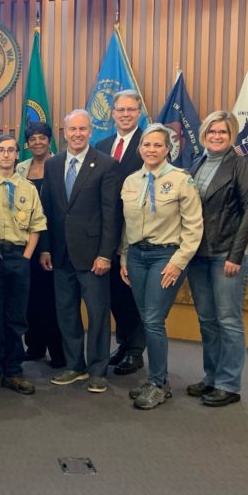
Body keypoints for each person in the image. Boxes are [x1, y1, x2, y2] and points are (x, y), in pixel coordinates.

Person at [119, 123, 203, 410]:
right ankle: (155, 378)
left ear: (167, 149)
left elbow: (194, 227)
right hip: (136, 257)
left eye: (157, 145)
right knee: (146, 320)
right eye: (147, 145)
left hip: (165, 258)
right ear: (140, 148)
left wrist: (178, 263)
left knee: (154, 320)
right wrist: (123, 257)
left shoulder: (181, 180)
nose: (151, 150)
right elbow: (126, 225)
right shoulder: (131, 181)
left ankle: (159, 383)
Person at [40, 111, 120, 394]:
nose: (77, 134)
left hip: (93, 256)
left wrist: (106, 254)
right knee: (66, 313)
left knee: (98, 314)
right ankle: (74, 366)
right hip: (60, 255)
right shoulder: (52, 165)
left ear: (90, 131)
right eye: (72, 129)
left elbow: (112, 214)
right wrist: (46, 248)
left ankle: (98, 370)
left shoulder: (107, 165)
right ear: (64, 132)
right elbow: (46, 211)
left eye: (82, 129)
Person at [185, 111, 248, 407]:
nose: (217, 136)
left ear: (232, 136)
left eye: (223, 132)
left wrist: (235, 254)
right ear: (204, 134)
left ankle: (229, 384)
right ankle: (212, 377)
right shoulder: (196, 163)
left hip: (228, 255)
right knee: (207, 320)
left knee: (228, 320)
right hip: (199, 254)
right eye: (212, 131)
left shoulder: (241, 164)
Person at [0, 135, 46, 396]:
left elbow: (37, 225)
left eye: (11, 150)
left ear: (17, 155)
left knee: (16, 317)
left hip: (18, 257)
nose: (5, 155)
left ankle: (13, 370)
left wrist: (26, 257)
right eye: (0, 150)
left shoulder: (28, 188)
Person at [95, 90, 147, 376]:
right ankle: (125, 343)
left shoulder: (148, 143)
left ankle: (136, 350)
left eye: (131, 110)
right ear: (112, 113)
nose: (125, 114)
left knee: (132, 293)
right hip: (106, 231)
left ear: (138, 113)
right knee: (115, 292)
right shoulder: (102, 145)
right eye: (120, 110)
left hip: (135, 231)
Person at [15, 122, 65, 371]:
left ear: (49, 140)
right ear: (27, 143)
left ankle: (57, 350)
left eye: (42, 138)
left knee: (52, 299)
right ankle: (34, 346)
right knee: (30, 297)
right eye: (32, 138)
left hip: (54, 240)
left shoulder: (60, 165)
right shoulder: (20, 168)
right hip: (26, 241)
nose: (37, 142)